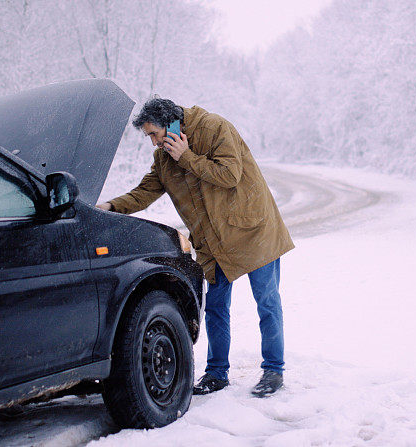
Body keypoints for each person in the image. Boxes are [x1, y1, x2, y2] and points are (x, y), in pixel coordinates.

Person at [97, 98, 294, 398]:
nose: (152, 141)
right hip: (213, 242)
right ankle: (216, 373)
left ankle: (273, 370)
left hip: (251, 229)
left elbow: (230, 175)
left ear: (170, 123)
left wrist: (187, 156)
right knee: (215, 307)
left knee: (266, 302)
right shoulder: (164, 158)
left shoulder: (213, 128)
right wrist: (111, 207)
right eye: (149, 136)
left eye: (153, 133)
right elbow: (144, 192)